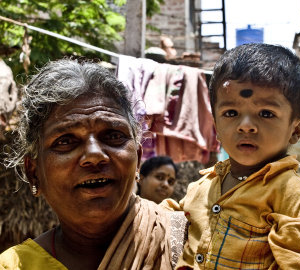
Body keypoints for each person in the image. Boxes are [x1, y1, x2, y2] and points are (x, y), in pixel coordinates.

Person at [161, 43, 300, 269]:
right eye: (231, 113)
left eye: (266, 114)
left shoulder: (293, 194)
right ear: (216, 126)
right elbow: (170, 219)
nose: (246, 126)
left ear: (295, 130)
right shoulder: (203, 185)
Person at [0, 59, 174, 270]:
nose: (94, 155)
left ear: (137, 159)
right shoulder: (15, 266)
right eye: (65, 141)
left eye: (113, 135)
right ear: (33, 172)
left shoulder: (191, 245)